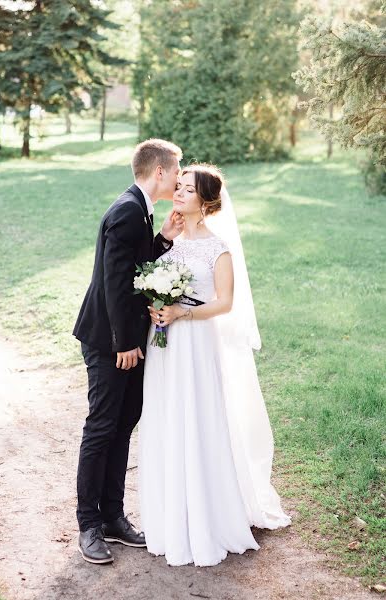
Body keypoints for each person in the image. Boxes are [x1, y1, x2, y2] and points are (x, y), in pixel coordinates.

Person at [139, 164, 291, 567]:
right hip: (163, 345)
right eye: (180, 186)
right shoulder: (169, 241)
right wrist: (157, 307)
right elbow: (148, 279)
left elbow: (225, 302)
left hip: (195, 342)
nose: (179, 193)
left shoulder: (217, 248)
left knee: (199, 418)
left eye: (188, 189)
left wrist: (180, 313)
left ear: (206, 202)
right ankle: (170, 514)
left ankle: (208, 515)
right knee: (167, 417)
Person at [73, 138, 184, 564]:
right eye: (176, 169)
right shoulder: (125, 211)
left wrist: (162, 240)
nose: (178, 176)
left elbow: (135, 270)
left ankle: (114, 518)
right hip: (109, 341)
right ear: (159, 172)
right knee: (102, 427)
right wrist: (126, 343)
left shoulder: (140, 210)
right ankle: (89, 525)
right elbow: (114, 284)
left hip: (126, 339)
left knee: (123, 424)